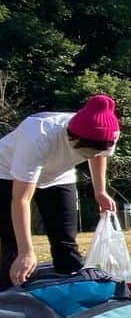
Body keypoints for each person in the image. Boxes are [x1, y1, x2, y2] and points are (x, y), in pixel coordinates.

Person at [0, 94, 121, 288]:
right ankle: (8, 300)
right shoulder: (39, 136)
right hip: (6, 173)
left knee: (65, 241)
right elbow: (21, 199)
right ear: (71, 137)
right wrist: (26, 251)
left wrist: (100, 191)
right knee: (14, 245)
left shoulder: (108, 134)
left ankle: (72, 293)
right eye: (85, 152)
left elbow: (100, 155)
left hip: (58, 175)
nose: (90, 156)